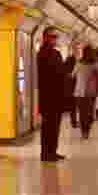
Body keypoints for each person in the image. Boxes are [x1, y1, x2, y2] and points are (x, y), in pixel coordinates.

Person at [36, 27, 67, 162]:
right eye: (52, 36)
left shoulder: (55, 54)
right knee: (48, 126)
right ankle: (46, 153)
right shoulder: (42, 54)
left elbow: (61, 73)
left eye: (56, 37)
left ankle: (52, 151)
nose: (55, 39)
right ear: (45, 37)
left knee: (54, 126)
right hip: (48, 96)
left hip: (56, 96)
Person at [73, 45, 98, 139]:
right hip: (85, 92)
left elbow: (73, 75)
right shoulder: (89, 63)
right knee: (86, 113)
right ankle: (85, 131)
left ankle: (86, 130)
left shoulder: (91, 64)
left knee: (86, 113)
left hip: (85, 92)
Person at [64, 53, 78, 128]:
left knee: (71, 107)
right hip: (75, 90)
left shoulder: (64, 69)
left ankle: (73, 121)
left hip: (67, 91)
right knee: (74, 107)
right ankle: (74, 121)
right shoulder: (75, 69)